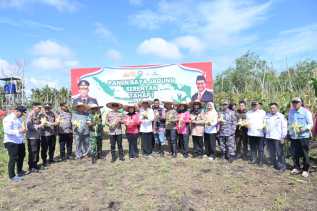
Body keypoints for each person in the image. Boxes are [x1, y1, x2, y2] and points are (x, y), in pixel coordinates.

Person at [288, 97, 313, 177]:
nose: (295, 104)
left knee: (304, 153)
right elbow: (289, 123)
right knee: (295, 153)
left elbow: (310, 124)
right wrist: (289, 131)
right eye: (293, 102)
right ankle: (297, 167)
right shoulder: (291, 112)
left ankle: (305, 169)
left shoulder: (306, 112)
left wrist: (304, 128)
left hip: (303, 136)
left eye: (297, 102)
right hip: (294, 136)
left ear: (301, 103)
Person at [3, 106, 27, 182]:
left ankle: (19, 171)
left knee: (22, 155)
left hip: (19, 141)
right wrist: (19, 131)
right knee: (13, 158)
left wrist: (23, 131)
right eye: (21, 113)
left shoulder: (19, 118)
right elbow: (7, 131)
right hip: (11, 141)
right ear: (16, 111)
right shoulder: (8, 119)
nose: (22, 114)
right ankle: (12, 176)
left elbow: (21, 129)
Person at [264, 103, 288, 171]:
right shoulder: (267, 116)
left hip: (278, 137)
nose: (272, 109)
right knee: (271, 152)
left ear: (277, 108)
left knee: (279, 152)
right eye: (271, 108)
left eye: (273, 108)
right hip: (269, 137)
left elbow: (284, 127)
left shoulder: (281, 116)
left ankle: (282, 166)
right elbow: (264, 125)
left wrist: (283, 137)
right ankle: (275, 164)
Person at [246, 101, 266, 166]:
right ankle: (254, 159)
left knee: (260, 148)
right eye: (253, 105)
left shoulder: (263, 113)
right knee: (253, 148)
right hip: (251, 133)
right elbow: (247, 122)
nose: (254, 106)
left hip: (260, 134)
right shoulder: (248, 113)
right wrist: (246, 124)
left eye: (255, 105)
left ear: (258, 105)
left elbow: (265, 122)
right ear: (251, 106)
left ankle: (260, 161)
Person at [26, 102, 42, 172]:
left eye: (40, 108)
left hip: (37, 136)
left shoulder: (37, 115)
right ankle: (31, 166)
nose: (40, 109)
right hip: (32, 137)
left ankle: (35, 165)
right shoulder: (30, 115)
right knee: (33, 152)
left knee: (37, 151)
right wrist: (39, 126)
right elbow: (29, 126)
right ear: (34, 107)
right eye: (39, 108)